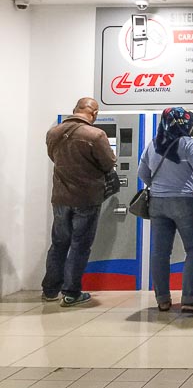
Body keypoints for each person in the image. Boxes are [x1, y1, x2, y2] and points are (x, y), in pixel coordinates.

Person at [138, 107, 193, 315]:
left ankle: (162, 300)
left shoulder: (153, 144)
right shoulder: (190, 144)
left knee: (160, 252)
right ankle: (190, 300)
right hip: (184, 201)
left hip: (157, 202)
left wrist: (159, 187)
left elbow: (142, 173)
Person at [43, 98, 116, 307]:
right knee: (80, 245)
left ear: (75, 110)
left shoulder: (53, 132)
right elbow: (109, 162)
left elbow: (53, 157)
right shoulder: (96, 135)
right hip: (86, 198)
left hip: (60, 198)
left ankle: (49, 290)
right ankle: (71, 293)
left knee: (58, 244)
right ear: (94, 114)